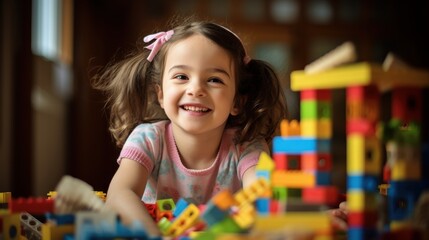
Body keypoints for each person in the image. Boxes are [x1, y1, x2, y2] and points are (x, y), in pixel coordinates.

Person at [92, 20, 288, 236]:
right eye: (181, 77)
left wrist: (304, 218)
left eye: (214, 79)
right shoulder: (148, 138)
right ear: (161, 95)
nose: (195, 89)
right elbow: (120, 193)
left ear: (237, 102)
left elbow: (264, 197)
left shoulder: (246, 145)